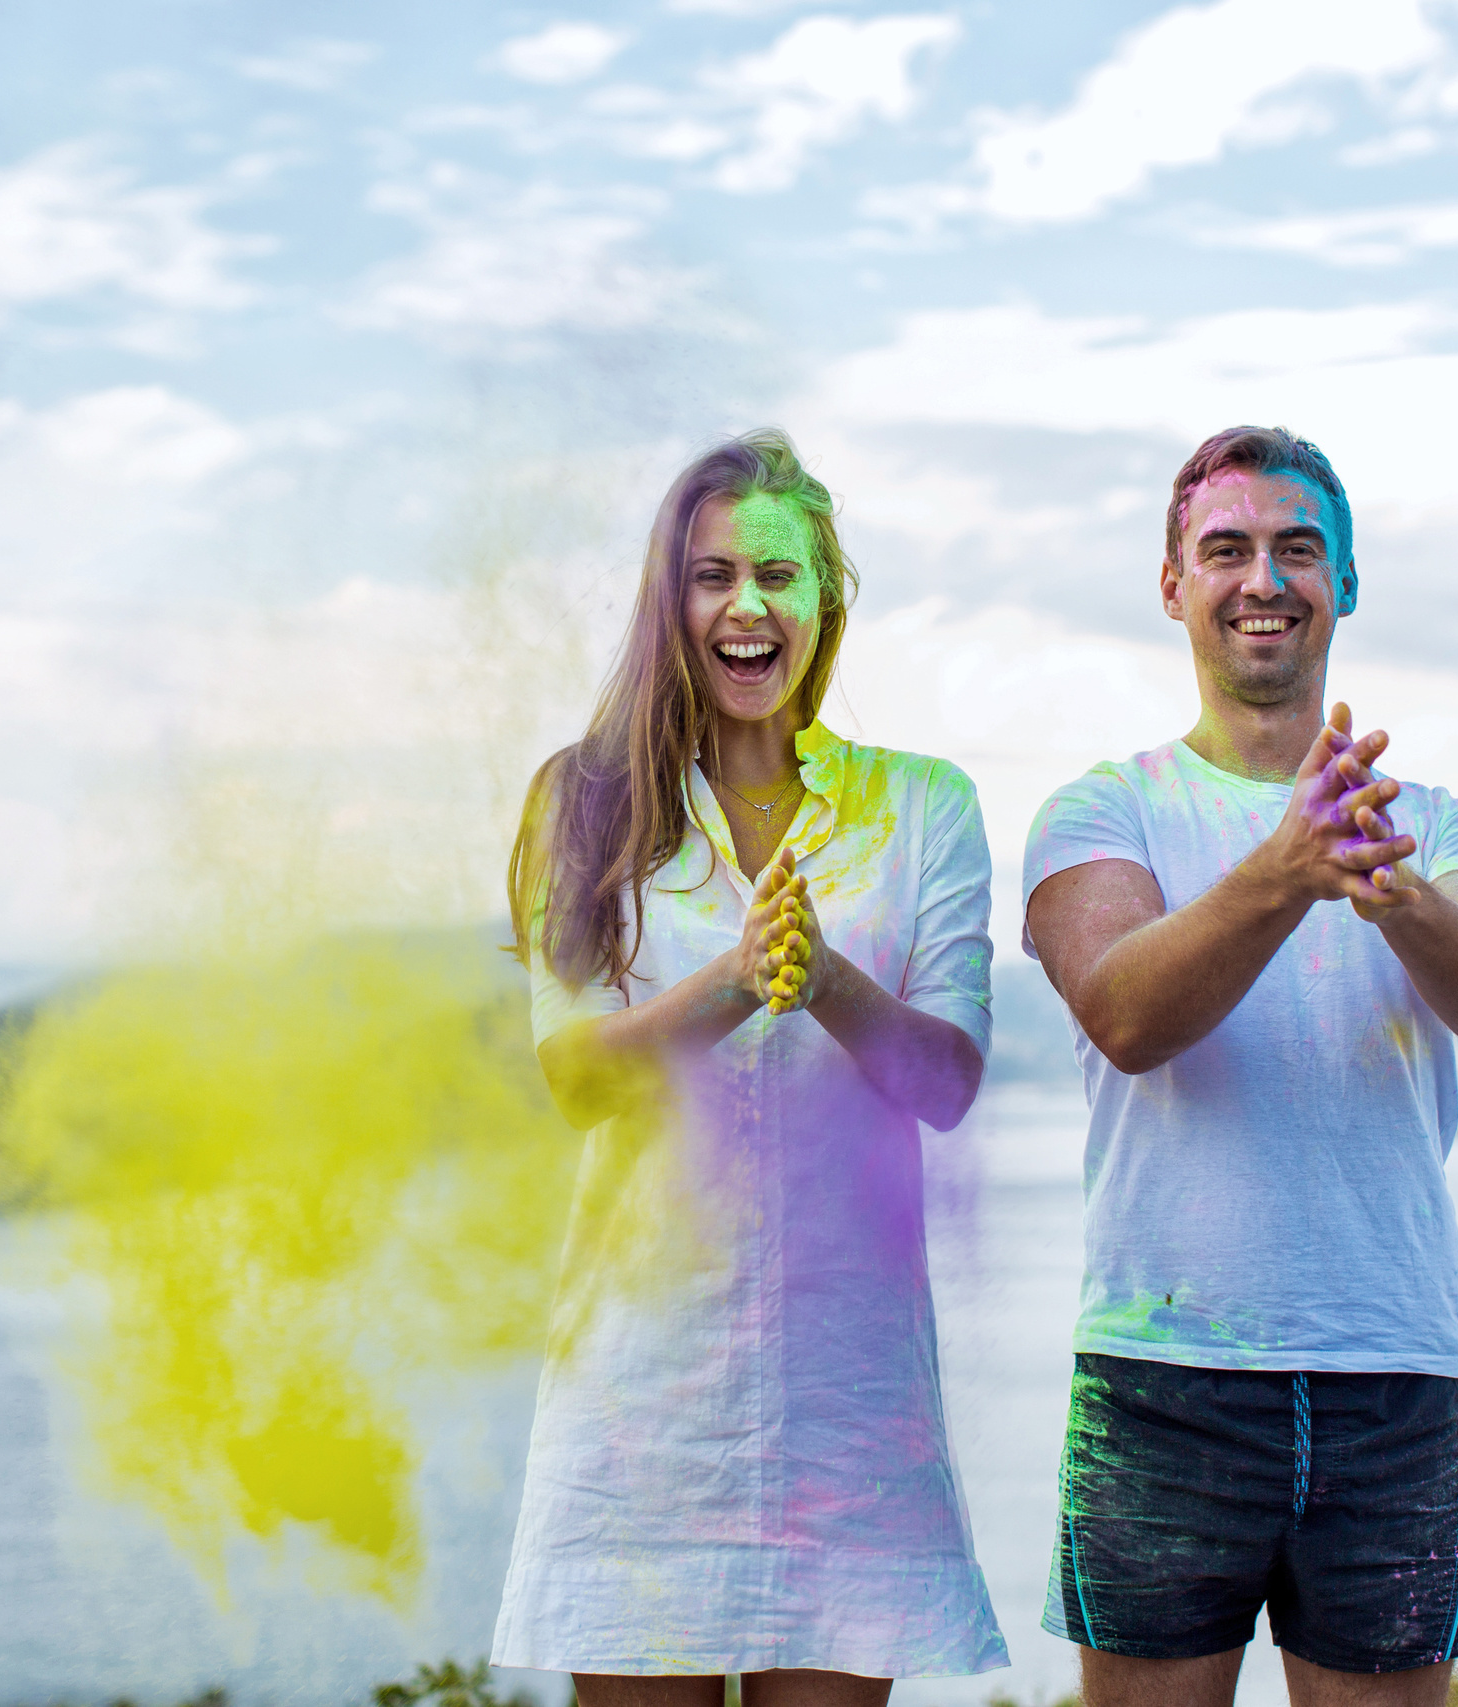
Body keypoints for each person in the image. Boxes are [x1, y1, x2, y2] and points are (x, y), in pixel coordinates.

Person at [1021, 427, 1458, 1707]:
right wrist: (1287, 867)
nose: (1264, 578)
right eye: (1227, 549)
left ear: (1346, 583)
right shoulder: (1100, 811)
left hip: (1394, 1379)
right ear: (1171, 584)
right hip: (1161, 1380)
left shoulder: (1438, 827)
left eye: (1297, 549)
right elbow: (1125, 1014)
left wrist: (1389, 886)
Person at [494, 430, 1009, 1707]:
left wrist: (822, 979)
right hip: (642, 1403)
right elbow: (572, 1078)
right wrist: (732, 981)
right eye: (713, 573)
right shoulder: (583, 802)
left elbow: (945, 1082)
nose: (746, 605)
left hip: (850, 1409)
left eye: (778, 573)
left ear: (827, 596)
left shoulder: (924, 804)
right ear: (671, 602)